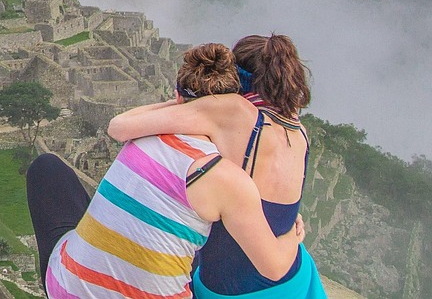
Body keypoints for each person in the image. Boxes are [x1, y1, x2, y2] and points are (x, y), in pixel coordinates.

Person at [28, 43, 304, 298]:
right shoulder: (230, 182)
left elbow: (119, 125)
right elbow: (275, 267)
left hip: (70, 291)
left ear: (177, 97)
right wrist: (294, 235)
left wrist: (187, 105)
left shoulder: (143, 134)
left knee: (47, 168)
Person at [107, 34, 324, 298]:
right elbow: (279, 210)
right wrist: (291, 230)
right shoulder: (298, 131)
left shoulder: (232, 111)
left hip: (230, 289)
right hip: (296, 279)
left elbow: (120, 127)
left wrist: (183, 103)